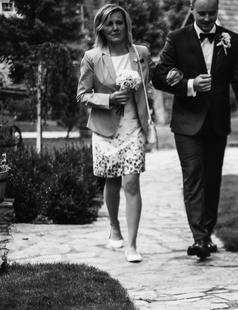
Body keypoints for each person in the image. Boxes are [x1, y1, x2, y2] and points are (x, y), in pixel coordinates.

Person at [152, 0, 238, 259]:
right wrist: (190, 85)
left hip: (217, 122)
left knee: (212, 179)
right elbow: (159, 76)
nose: (207, 19)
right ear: (192, 10)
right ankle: (199, 238)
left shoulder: (230, 39)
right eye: (202, 14)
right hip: (187, 123)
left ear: (217, 11)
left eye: (212, 13)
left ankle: (207, 234)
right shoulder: (177, 38)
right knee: (193, 176)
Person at [77, 4, 153, 263]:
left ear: (126, 25)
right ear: (101, 27)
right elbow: (82, 95)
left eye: (119, 22)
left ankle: (132, 244)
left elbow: (147, 87)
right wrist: (109, 99)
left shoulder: (141, 53)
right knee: (112, 181)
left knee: (131, 182)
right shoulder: (92, 57)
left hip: (133, 127)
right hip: (105, 129)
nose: (115, 27)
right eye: (109, 23)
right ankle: (114, 225)